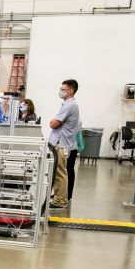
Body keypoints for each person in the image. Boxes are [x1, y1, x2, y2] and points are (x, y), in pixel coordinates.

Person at [48, 79, 81, 209]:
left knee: (60, 173)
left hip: (62, 144)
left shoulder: (70, 105)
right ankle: (59, 196)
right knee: (58, 173)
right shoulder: (68, 104)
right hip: (61, 143)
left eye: (63, 89)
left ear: (70, 91)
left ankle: (60, 201)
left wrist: (52, 122)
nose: (60, 91)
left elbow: (54, 124)